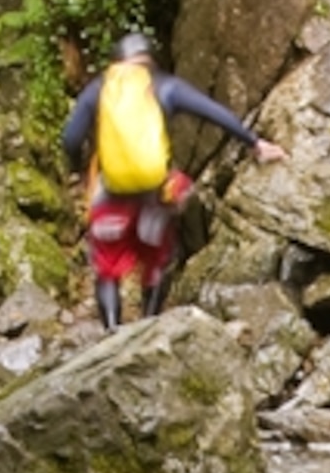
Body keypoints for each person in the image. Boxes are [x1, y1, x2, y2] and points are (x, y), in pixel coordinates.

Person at [60, 32, 283, 330]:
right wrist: (255, 143)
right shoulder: (164, 86)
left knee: (108, 268)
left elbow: (71, 138)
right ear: (150, 60)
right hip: (154, 195)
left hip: (112, 195)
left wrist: (79, 172)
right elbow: (212, 111)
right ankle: (148, 327)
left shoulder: (100, 88)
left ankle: (111, 332)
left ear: (116, 61)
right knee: (157, 261)